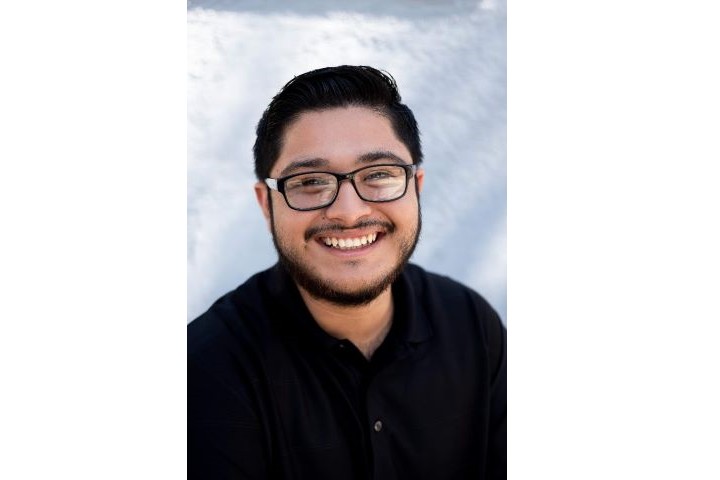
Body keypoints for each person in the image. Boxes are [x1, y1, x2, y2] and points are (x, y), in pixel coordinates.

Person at [188, 65, 506, 479]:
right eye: (311, 181)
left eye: (378, 175)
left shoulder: (470, 324)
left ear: (416, 187)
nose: (349, 211)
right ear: (267, 205)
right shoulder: (208, 368)